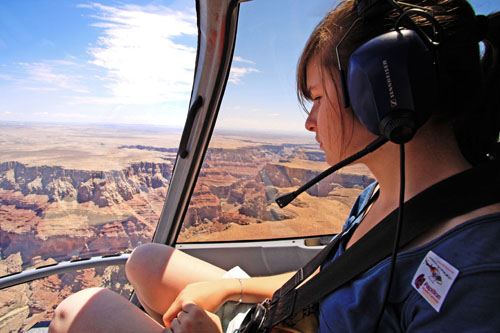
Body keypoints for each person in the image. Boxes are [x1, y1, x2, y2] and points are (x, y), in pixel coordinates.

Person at [49, 0, 500, 332]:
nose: (308, 122)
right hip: (296, 319)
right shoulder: (380, 192)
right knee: (146, 261)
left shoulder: (474, 275)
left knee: (78, 312)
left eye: (318, 98)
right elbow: (328, 276)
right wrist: (234, 289)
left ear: (383, 95)